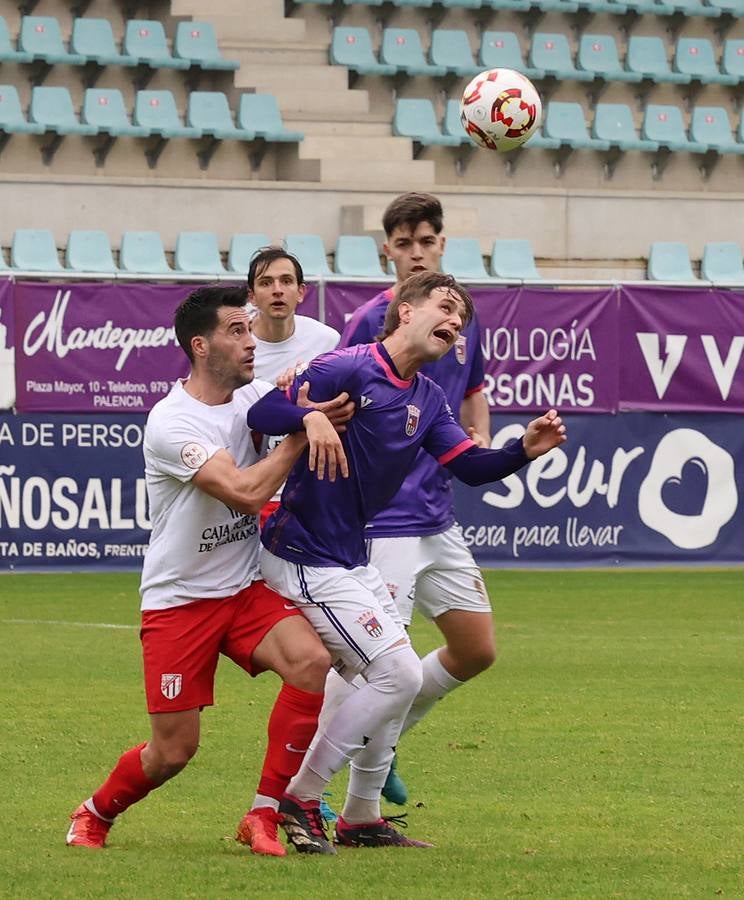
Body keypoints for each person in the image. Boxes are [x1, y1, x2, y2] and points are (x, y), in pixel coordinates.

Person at [247, 271, 567, 852]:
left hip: (348, 558)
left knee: (403, 676)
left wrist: (522, 450)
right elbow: (263, 411)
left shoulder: (428, 397)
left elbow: (468, 464)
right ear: (405, 310)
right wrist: (309, 415)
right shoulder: (348, 365)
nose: (454, 322)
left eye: (462, 320)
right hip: (302, 556)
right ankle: (300, 800)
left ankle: (348, 812)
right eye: (446, 308)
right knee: (394, 674)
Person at [66, 284, 352, 858]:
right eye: (237, 331)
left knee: (311, 662)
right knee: (173, 751)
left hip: (242, 589)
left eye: (251, 330)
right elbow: (245, 493)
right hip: (179, 601)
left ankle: (264, 814)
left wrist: (317, 408)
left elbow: (298, 399)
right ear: (201, 346)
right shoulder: (172, 422)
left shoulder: (251, 401)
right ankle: (95, 812)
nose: (252, 342)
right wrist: (301, 434)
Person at [324, 191, 493, 807]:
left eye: (428, 241)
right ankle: (332, 799)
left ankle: (384, 743)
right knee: (374, 666)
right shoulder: (373, 319)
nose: (417, 253)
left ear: (442, 244)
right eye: (405, 244)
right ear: (387, 251)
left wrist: (484, 434)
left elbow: (474, 393)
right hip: (386, 517)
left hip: (437, 513)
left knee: (476, 649)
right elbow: (333, 399)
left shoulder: (463, 316)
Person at [246, 246, 340, 528]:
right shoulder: (236, 348)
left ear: (301, 292)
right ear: (251, 296)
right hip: (254, 486)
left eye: (286, 281)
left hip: (311, 488)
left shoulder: (327, 341)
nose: (277, 290)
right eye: (266, 283)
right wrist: (276, 398)